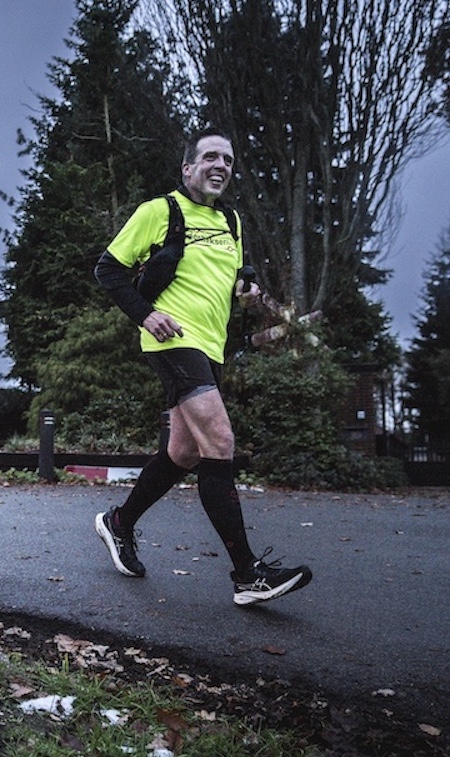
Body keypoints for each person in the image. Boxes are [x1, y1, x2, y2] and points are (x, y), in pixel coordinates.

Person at [92, 127, 312, 606]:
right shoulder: (159, 212)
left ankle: (119, 523)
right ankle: (247, 574)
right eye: (210, 157)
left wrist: (245, 294)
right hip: (173, 339)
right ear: (187, 168)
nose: (220, 166)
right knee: (221, 441)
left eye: (228, 161)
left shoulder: (231, 221)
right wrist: (147, 315)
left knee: (185, 453)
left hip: (211, 348)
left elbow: (221, 281)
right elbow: (107, 270)